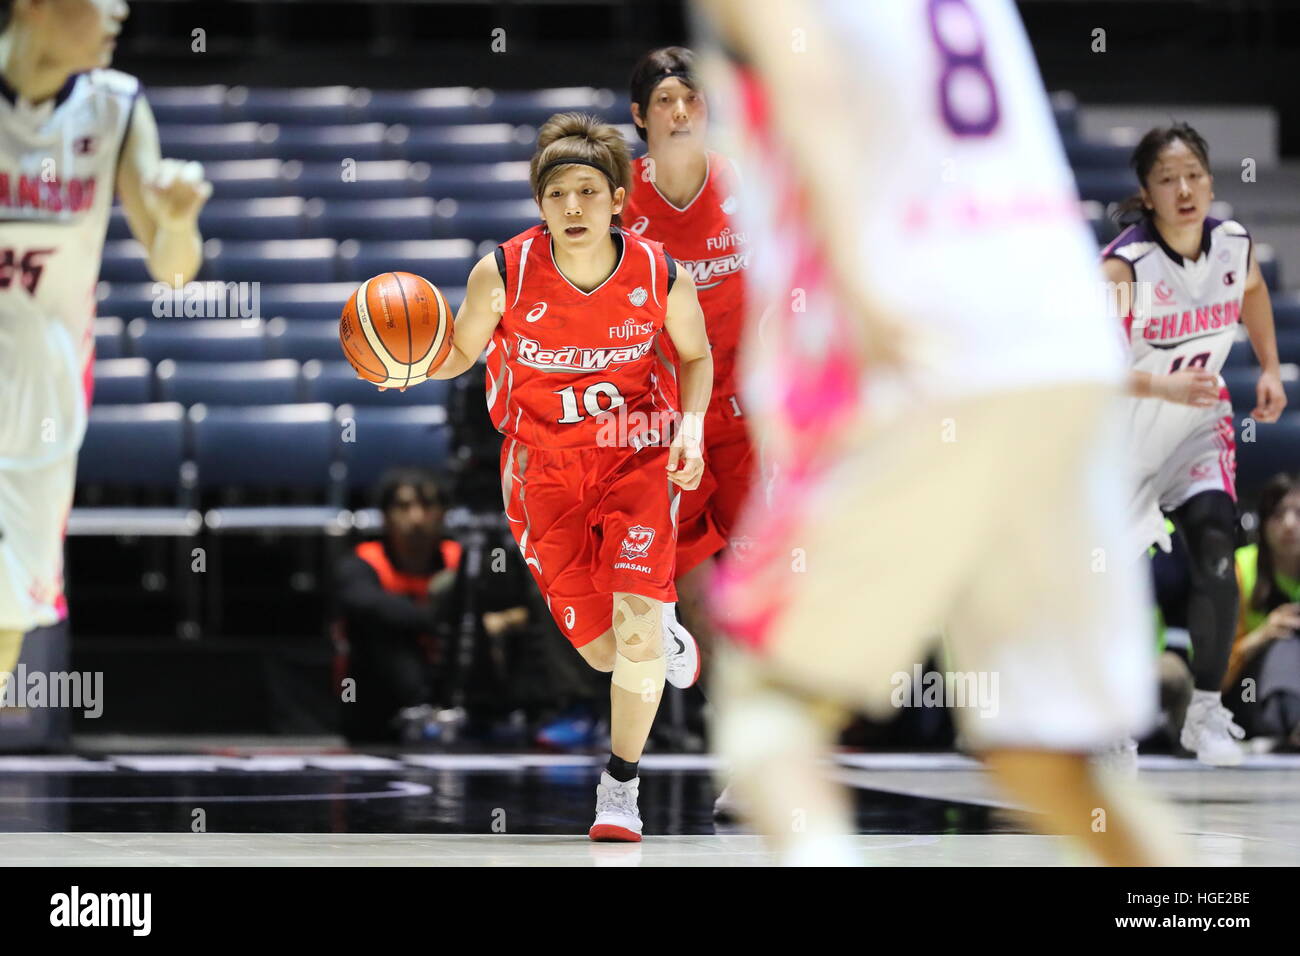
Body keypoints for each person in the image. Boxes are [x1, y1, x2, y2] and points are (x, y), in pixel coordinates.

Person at [700, 0, 1184, 865]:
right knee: (1045, 761)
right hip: (1060, 337)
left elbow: (807, 81)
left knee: (765, 708)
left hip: (924, 329)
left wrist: (858, 276)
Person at [417, 112, 714, 841]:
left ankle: (620, 789)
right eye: (558, 195)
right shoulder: (505, 272)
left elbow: (697, 357)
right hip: (542, 470)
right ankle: (660, 633)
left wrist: (694, 425)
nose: (573, 207)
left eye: (588, 191)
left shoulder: (658, 273)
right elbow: (460, 353)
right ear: (540, 205)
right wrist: (409, 364)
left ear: (618, 198)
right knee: (607, 652)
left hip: (635, 456)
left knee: (635, 638)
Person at [0, 0, 210, 693]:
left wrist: (178, 221)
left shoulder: (116, 106)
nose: (121, 10)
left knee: (10, 607)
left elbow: (174, 270)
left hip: (42, 395)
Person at [1102, 123, 1287, 765]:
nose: (1184, 190)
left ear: (1210, 180)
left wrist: (1267, 366)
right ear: (1147, 194)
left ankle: (1205, 716)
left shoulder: (1233, 243)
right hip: (1123, 438)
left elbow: (1255, 291)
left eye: (1194, 176)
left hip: (1196, 428)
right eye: (1166, 179)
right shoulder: (1126, 266)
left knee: (1214, 547)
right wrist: (1161, 386)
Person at [624, 47, 752, 676]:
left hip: (749, 411)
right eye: (665, 101)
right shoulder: (618, 204)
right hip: (674, 423)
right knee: (703, 602)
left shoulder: (747, 186)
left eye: (692, 98)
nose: (681, 112)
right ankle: (740, 743)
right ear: (640, 116)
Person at [334, 468, 463, 742]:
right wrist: (437, 620)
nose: (416, 518)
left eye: (427, 506)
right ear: (385, 515)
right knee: (380, 629)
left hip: (451, 678)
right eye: (404, 506)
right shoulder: (362, 562)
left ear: (443, 513)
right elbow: (365, 604)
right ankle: (417, 713)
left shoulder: (462, 561)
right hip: (377, 703)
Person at [1222, 472, 1300, 745]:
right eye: (1278, 514)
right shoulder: (1240, 570)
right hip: (1247, 694)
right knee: (1283, 646)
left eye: (1299, 514)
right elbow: (1212, 674)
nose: (1289, 525)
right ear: (1263, 523)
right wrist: (1264, 634)